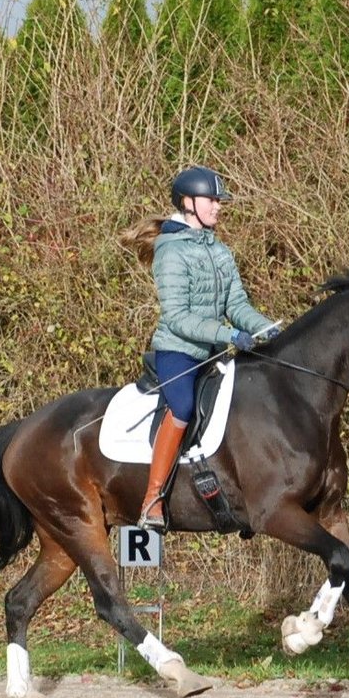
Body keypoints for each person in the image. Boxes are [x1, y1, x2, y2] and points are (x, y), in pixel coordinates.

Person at [120, 165, 279, 531]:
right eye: (212, 200)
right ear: (189, 204)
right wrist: (228, 334)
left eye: (218, 201)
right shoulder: (171, 252)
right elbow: (178, 317)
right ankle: (152, 500)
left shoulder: (220, 252)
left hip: (214, 352)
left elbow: (237, 305)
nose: (219, 207)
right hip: (179, 352)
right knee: (183, 407)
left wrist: (269, 329)